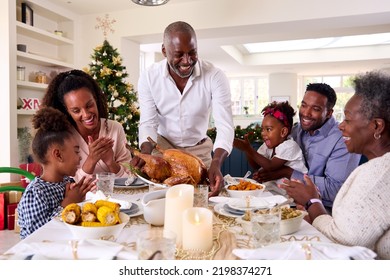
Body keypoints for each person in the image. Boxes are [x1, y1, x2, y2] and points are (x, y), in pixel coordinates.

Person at [281, 70, 390, 259]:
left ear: (377, 126)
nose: (341, 125)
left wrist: (312, 201)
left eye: (347, 119)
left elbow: (341, 239)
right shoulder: (298, 131)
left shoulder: (380, 173)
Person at [134, 21, 234, 197]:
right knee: (160, 202)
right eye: (179, 54)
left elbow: (225, 126)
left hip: (198, 153)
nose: (187, 61)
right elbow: (148, 122)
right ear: (164, 51)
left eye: (192, 53)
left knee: (202, 204)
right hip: (163, 151)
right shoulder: (149, 77)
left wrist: (216, 163)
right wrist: (146, 155)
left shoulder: (215, 76)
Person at [253, 83, 361, 211]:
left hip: (326, 211)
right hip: (288, 203)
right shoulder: (295, 131)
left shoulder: (343, 139)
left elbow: (336, 190)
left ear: (329, 113)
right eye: (304, 105)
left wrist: (288, 172)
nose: (306, 113)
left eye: (315, 109)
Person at [17, 107, 96, 239]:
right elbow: (37, 235)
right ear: (58, 155)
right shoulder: (36, 192)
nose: (80, 157)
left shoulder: (67, 182)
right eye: (76, 151)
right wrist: (68, 203)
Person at [41, 69, 131, 181]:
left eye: (89, 105)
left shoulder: (115, 128)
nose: (86, 115)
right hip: (80, 199)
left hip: (116, 198)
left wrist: (110, 162)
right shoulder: (64, 136)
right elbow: (63, 185)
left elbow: (130, 179)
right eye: (76, 110)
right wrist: (92, 159)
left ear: (96, 100)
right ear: (67, 111)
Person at [234, 101, 308, 195]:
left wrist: (249, 149)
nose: (263, 133)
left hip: (295, 194)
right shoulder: (267, 146)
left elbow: (270, 166)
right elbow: (256, 165)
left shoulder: (290, 146)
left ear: (283, 132)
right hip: (277, 191)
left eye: (268, 129)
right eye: (262, 129)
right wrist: (246, 150)